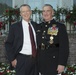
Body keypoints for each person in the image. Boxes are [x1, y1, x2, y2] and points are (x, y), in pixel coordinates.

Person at [5, 4, 38, 75]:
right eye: (23, 12)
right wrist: (12, 59)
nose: (25, 13)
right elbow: (8, 44)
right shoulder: (14, 27)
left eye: (27, 11)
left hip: (35, 60)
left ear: (31, 12)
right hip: (22, 60)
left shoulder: (36, 25)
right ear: (20, 14)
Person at [37, 4, 69, 75]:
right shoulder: (39, 27)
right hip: (41, 62)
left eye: (48, 11)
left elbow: (64, 47)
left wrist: (61, 63)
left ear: (52, 12)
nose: (45, 13)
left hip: (54, 62)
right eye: (44, 11)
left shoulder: (60, 26)